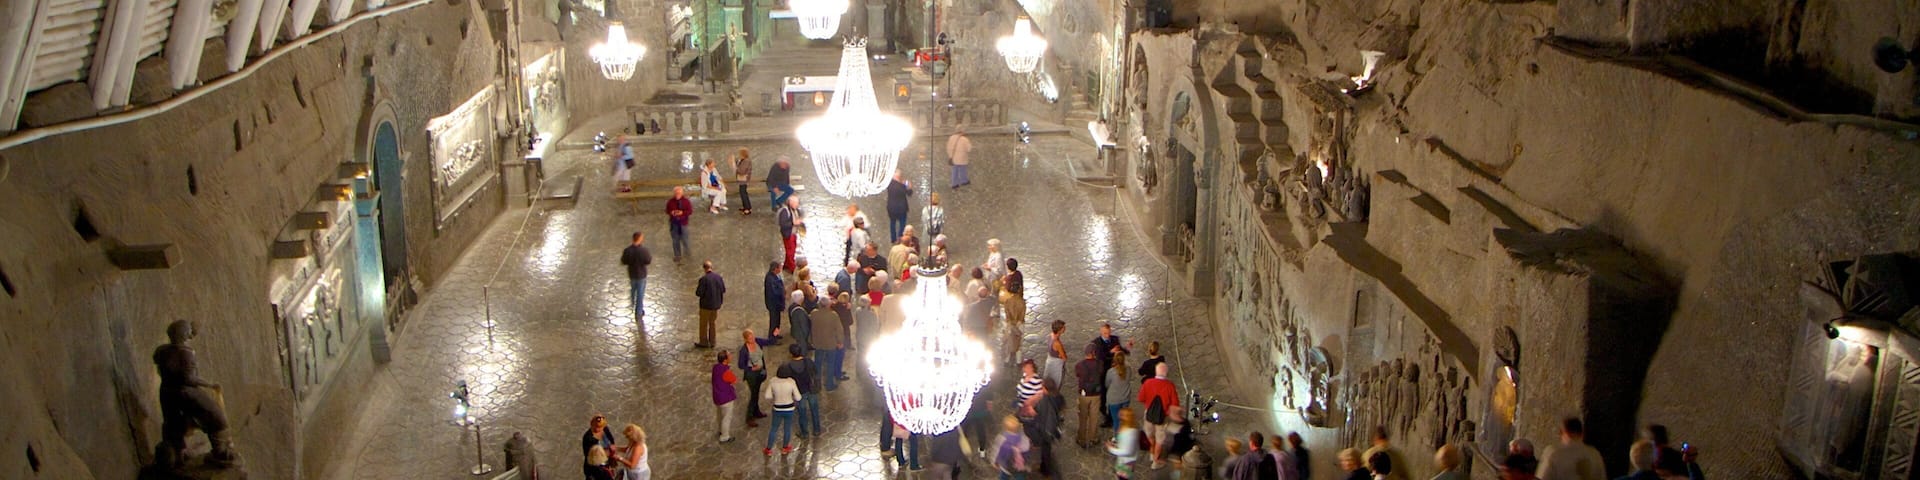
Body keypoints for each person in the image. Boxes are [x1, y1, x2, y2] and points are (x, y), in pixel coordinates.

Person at [1138, 362, 1180, 468]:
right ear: (1166, 373)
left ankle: (1152, 453)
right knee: (1160, 440)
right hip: (1163, 417)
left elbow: (1140, 398)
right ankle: (1156, 461)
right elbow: (1175, 403)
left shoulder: (1148, 382)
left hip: (1149, 415)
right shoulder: (1170, 386)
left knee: (1150, 435)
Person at [1022, 379, 1064, 478]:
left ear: (1045, 389)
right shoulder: (1058, 397)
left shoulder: (1045, 401)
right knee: (1046, 449)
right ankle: (1045, 468)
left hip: (1045, 430)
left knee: (1045, 450)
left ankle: (1046, 471)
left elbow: (1040, 417)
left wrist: (1031, 413)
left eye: (1042, 387)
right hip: (1053, 428)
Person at [1536, 418, 1604, 480]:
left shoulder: (1553, 453)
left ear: (1564, 432)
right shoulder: (1595, 454)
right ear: (1582, 433)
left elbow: (1542, 477)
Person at [1091, 323, 1131, 426]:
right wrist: (1110, 352)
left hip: (1115, 370)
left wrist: (1127, 348)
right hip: (1103, 372)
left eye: (1108, 333)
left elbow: (1120, 351)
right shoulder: (1096, 343)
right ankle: (1106, 415)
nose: (1107, 335)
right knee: (1104, 395)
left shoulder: (1115, 339)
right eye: (1105, 333)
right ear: (1101, 332)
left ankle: (1115, 415)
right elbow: (1100, 357)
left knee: (1115, 392)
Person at [739, 328, 778, 428]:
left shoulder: (758, 342)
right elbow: (740, 365)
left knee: (756, 393)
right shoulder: (744, 350)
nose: (752, 338)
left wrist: (774, 335)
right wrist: (751, 368)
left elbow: (770, 342)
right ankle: (749, 417)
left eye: (753, 336)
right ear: (746, 339)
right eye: (750, 338)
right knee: (753, 395)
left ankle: (756, 412)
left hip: (760, 373)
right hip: (751, 375)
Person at [782, 343, 823, 438]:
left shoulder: (788, 366)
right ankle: (817, 430)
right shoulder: (808, 361)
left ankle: (805, 433)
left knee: (802, 413)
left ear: (791, 354)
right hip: (811, 389)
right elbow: (815, 373)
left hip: (799, 392)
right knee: (814, 410)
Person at [809, 293, 847, 391]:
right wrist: (840, 341)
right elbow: (839, 329)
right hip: (830, 343)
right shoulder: (833, 315)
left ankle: (817, 383)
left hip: (818, 342)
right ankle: (829, 384)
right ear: (828, 305)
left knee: (818, 363)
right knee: (830, 364)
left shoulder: (814, 313)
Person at [763, 368, 801, 456]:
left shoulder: (773, 381)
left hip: (777, 409)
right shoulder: (791, 382)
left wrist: (775, 395)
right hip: (789, 409)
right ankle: (785, 448)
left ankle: (768, 449)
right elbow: (798, 397)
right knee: (787, 428)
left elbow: (767, 396)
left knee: (774, 428)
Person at [1075, 344, 1106, 447]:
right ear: (1094, 353)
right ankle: (1093, 437)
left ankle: (1081, 439)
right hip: (1096, 394)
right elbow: (1101, 373)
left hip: (1084, 394)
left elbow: (1077, 375)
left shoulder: (1079, 365)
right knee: (1094, 417)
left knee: (1083, 417)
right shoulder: (1100, 364)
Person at [620, 232, 653, 320]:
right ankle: (638, 311)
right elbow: (648, 261)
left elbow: (624, 261)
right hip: (641, 274)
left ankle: (632, 302)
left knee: (633, 289)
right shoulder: (643, 250)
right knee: (640, 293)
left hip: (632, 273)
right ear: (639, 239)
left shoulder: (627, 250)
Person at [693, 261, 725, 348]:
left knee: (703, 324)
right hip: (715, 305)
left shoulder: (703, 279)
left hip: (705, 306)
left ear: (704, 268)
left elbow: (699, 293)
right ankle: (712, 341)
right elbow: (723, 290)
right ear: (711, 267)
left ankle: (703, 342)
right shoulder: (718, 277)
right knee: (712, 323)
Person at [992, 414, 1033, 479]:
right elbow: (1027, 451)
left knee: (1004, 476)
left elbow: (998, 452)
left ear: (1005, 428)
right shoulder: (1023, 438)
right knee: (1019, 476)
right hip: (1019, 465)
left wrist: (995, 462)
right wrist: (1026, 463)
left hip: (1006, 465)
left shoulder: (1001, 439)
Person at [1107, 408, 1143, 479]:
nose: (1119, 415)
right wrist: (1115, 442)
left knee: (1123, 478)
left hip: (1127, 462)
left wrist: (1111, 448)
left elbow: (1127, 451)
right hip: (1123, 461)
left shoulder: (1130, 433)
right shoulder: (1127, 426)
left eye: (1122, 414)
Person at [711, 351, 738, 443]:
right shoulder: (726, 372)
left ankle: (720, 430)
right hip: (726, 398)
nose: (731, 356)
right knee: (726, 417)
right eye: (729, 355)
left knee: (719, 415)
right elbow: (734, 381)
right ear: (725, 360)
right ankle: (725, 436)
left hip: (717, 396)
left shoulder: (715, 367)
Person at [1106, 352, 1136, 433]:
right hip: (1125, 398)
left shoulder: (1111, 372)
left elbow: (1107, 384)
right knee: (1125, 420)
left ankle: (1117, 438)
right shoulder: (1128, 369)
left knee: (1116, 421)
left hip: (1114, 399)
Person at [665, 187, 693, 260]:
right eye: (676, 193)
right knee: (675, 240)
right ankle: (677, 255)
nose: (677, 194)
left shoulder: (686, 201)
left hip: (683, 223)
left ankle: (687, 254)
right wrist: (672, 212)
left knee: (685, 239)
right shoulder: (670, 202)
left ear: (682, 193)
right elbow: (667, 210)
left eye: (679, 193)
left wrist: (682, 212)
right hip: (674, 223)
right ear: (674, 193)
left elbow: (690, 211)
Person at [762, 262, 785, 341]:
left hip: (777, 304)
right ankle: (772, 338)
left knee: (777, 321)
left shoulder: (774, 276)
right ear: (775, 269)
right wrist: (782, 292)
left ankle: (776, 334)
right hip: (774, 304)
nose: (780, 269)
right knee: (774, 321)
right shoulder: (770, 279)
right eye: (779, 268)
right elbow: (774, 293)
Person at [777, 196, 801, 272]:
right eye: (796, 203)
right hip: (788, 234)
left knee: (792, 249)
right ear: (791, 203)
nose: (797, 205)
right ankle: (792, 267)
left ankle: (787, 264)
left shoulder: (794, 209)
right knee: (790, 251)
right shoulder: (784, 211)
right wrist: (793, 223)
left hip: (793, 233)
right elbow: (783, 224)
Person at [1001, 257, 1026, 327]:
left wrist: (1003, 281)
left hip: (1012, 300)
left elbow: (1007, 288)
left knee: (1011, 317)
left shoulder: (1008, 278)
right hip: (1020, 298)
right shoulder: (1019, 273)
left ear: (1008, 267)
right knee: (1019, 316)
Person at [1044, 321, 1068, 387]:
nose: (1065, 328)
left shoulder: (1051, 335)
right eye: (1063, 327)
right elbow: (1064, 357)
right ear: (1059, 330)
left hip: (1050, 359)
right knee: (1056, 380)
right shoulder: (1057, 343)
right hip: (1056, 364)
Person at [732, 147, 754, 214]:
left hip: (743, 179)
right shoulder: (743, 160)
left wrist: (734, 166)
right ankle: (746, 207)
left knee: (743, 193)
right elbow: (738, 163)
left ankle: (747, 208)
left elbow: (741, 171)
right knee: (743, 193)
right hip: (742, 180)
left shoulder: (746, 161)